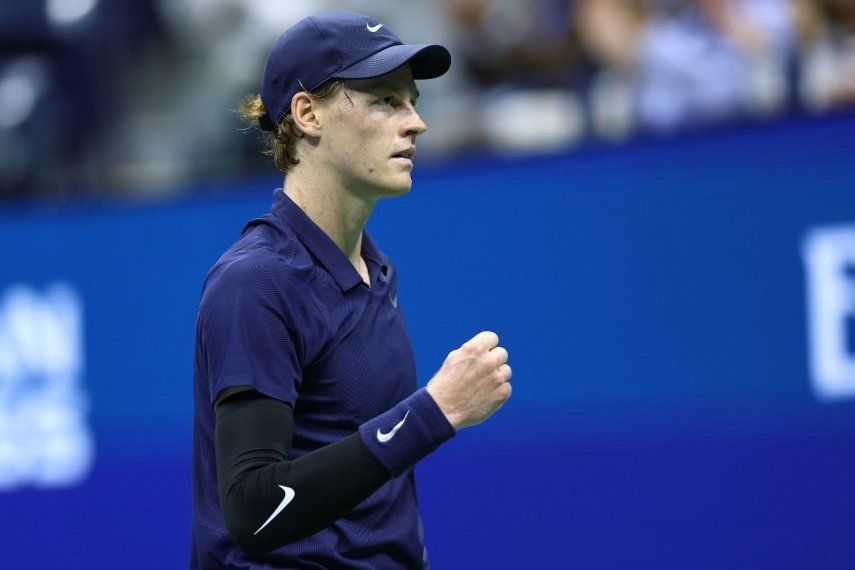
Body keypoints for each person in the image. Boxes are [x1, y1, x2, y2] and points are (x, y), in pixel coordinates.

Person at [190, 11, 513, 569]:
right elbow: (253, 509)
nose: (415, 123)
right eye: (385, 100)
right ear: (307, 113)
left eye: (412, 101)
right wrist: (435, 412)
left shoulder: (377, 272)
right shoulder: (257, 282)